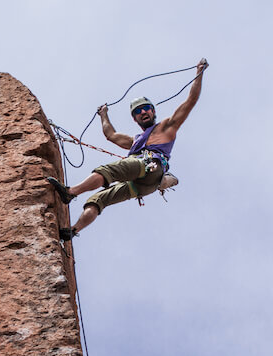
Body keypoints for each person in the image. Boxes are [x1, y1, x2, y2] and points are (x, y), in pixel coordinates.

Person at [48, 58, 208, 240]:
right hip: (142, 184)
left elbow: (191, 101)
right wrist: (104, 114)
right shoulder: (136, 141)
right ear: (135, 119)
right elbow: (111, 135)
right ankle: (73, 231)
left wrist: (199, 73)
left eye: (147, 108)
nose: (143, 112)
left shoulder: (166, 127)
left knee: (109, 171)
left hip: (150, 165)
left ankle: (70, 192)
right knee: (98, 200)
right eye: (138, 111)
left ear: (153, 112)